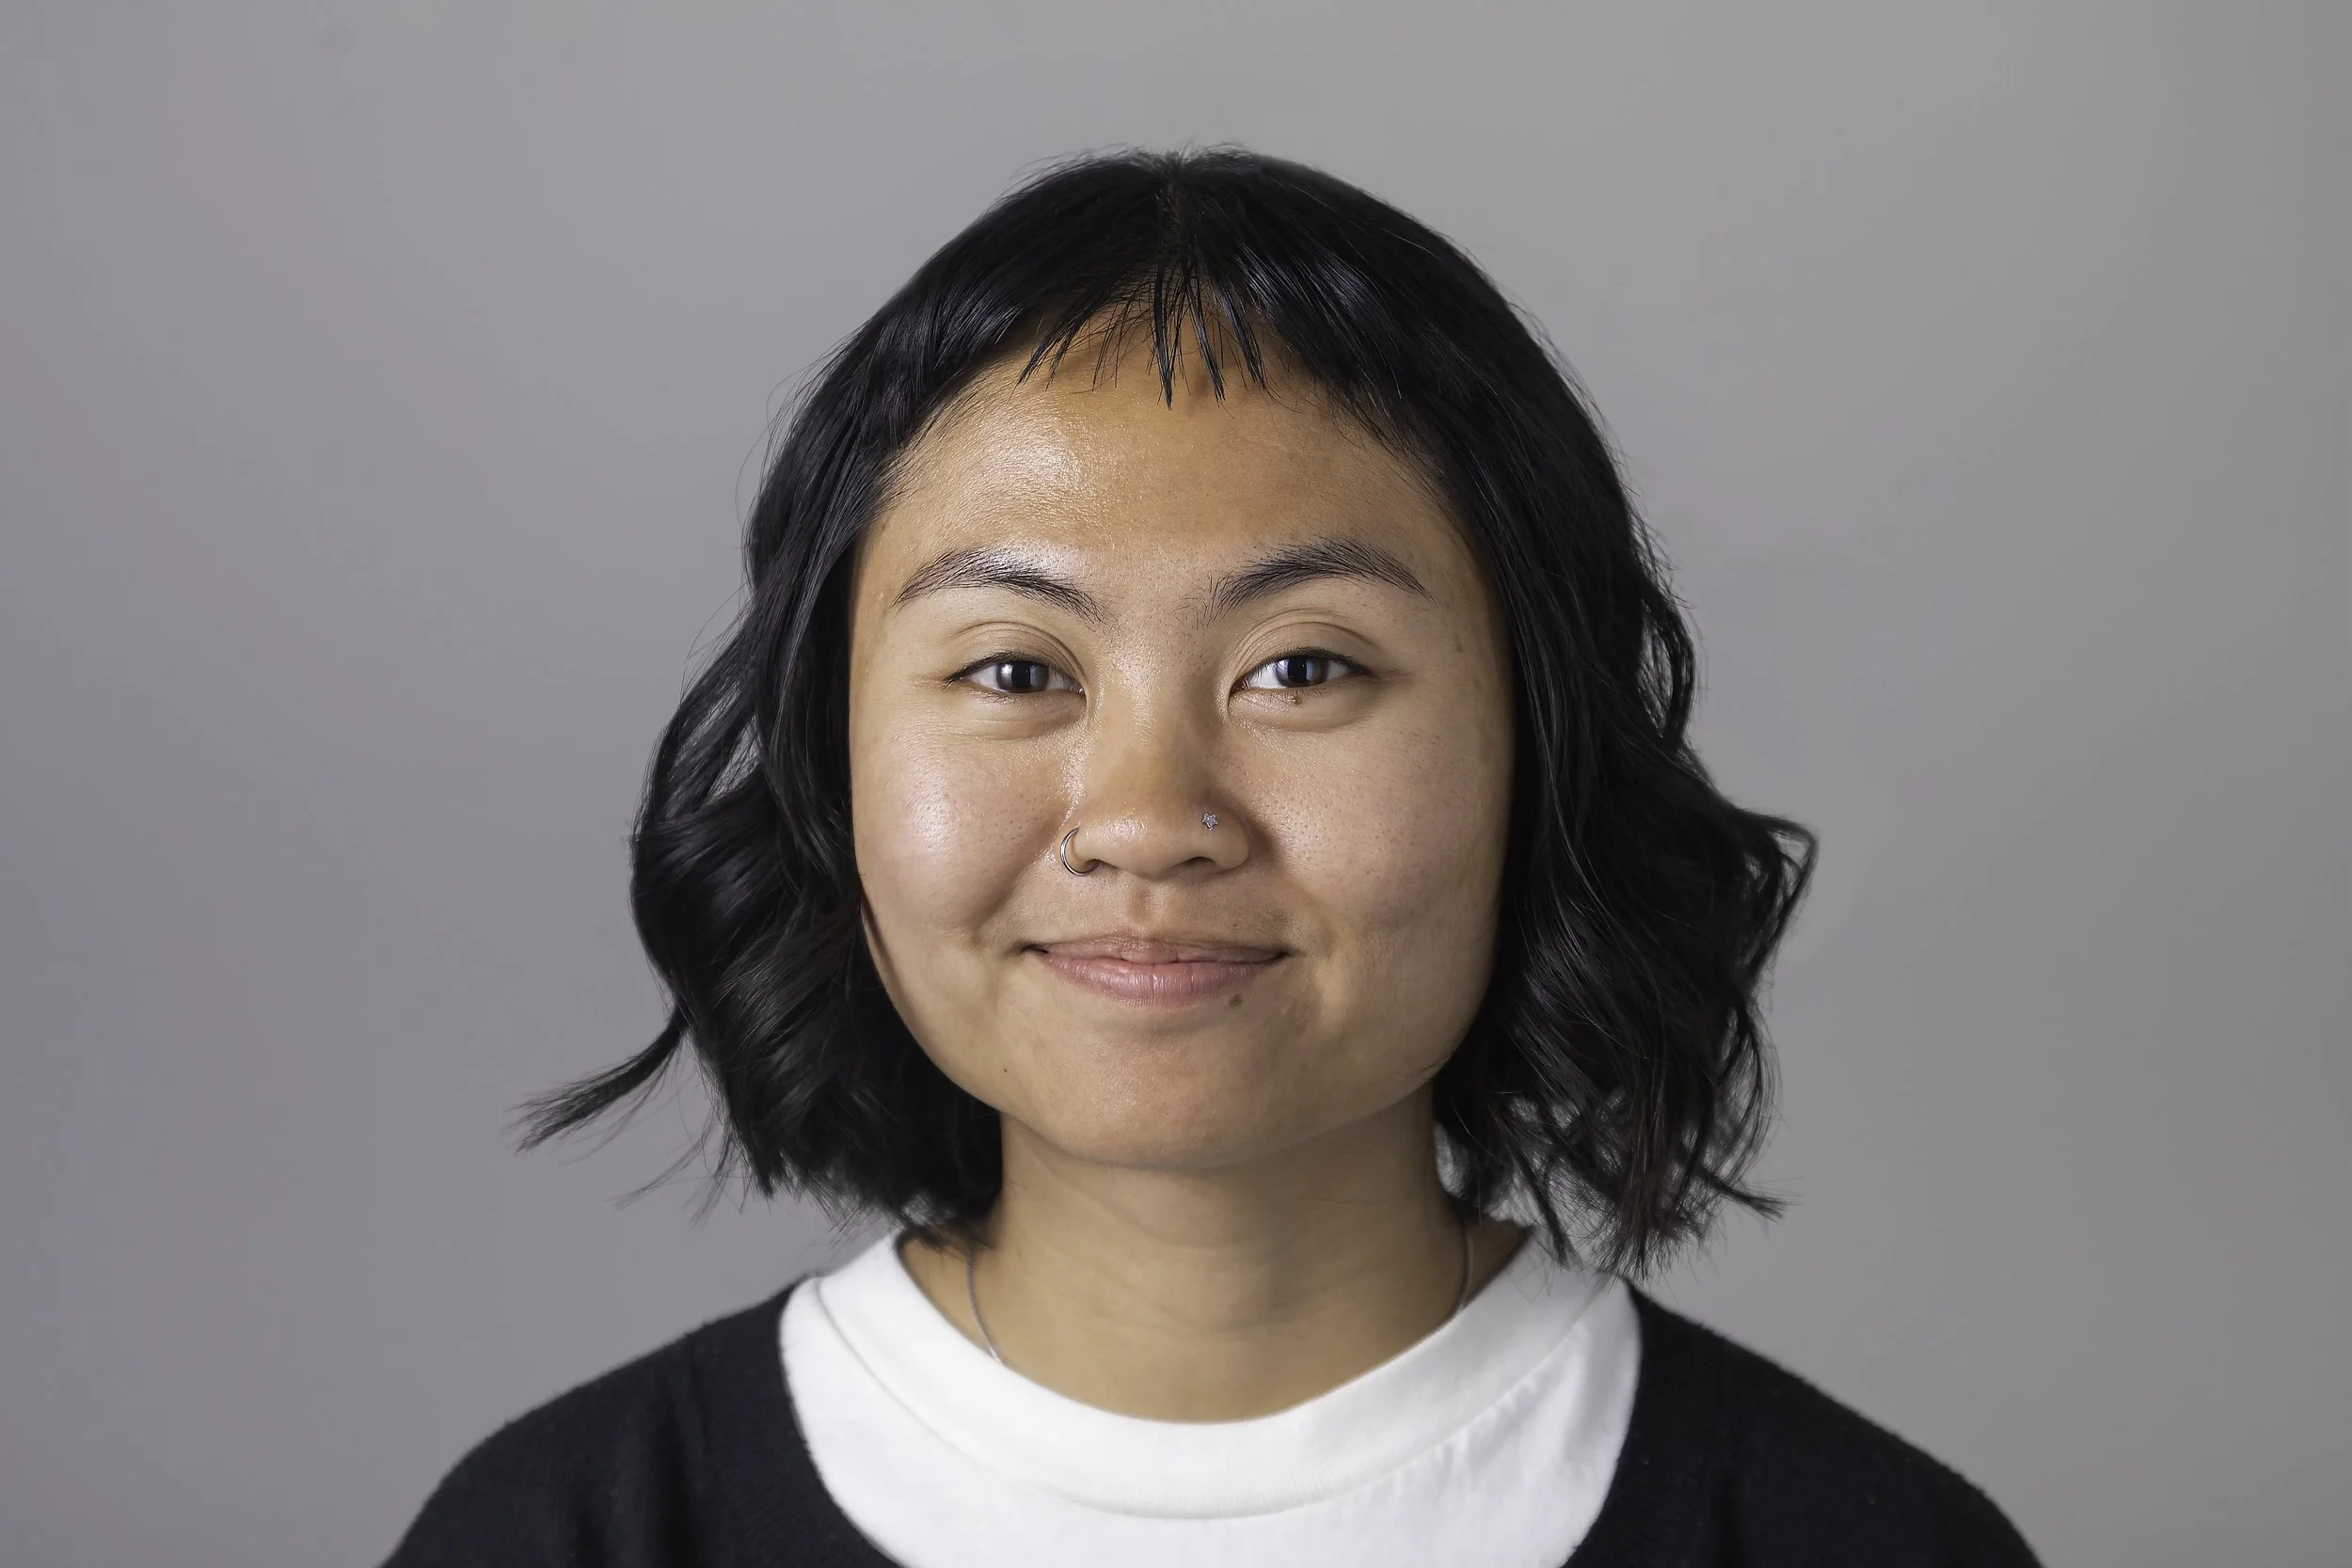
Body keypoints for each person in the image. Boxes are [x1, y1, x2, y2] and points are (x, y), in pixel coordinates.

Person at [384, 147, 2040, 1567]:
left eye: (1302, 668)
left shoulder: (1862, 1537)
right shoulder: (578, 1530)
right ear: (830, 770)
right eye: (1015, 670)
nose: (1148, 816)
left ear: (1540, 751)